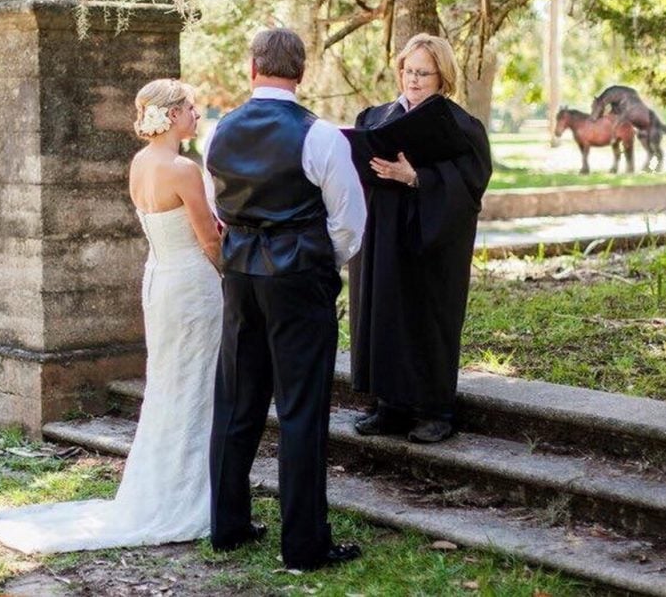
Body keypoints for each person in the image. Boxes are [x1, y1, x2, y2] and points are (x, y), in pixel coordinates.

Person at [0, 79, 223, 553]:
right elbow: (211, 241)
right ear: (172, 114)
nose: (197, 116)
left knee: (168, 384)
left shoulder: (141, 163)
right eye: (192, 109)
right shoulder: (184, 169)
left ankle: (165, 485)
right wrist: (233, 281)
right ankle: (186, 495)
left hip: (159, 279)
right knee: (194, 384)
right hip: (192, 286)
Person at [207, 28, 366, 571]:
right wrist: (324, 264)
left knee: (236, 399)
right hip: (299, 279)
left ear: (253, 68)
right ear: (301, 73)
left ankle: (227, 526)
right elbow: (349, 222)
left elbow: (219, 209)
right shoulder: (320, 136)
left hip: (240, 277)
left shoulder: (217, 130)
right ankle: (303, 545)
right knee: (300, 409)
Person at [350, 33, 492, 444]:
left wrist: (416, 178)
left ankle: (435, 411)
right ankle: (388, 406)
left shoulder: (461, 127)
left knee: (428, 317)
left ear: (442, 76)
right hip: (382, 236)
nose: (413, 80)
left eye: (423, 73)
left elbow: (471, 184)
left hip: (432, 241)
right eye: (408, 71)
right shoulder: (375, 118)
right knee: (382, 312)